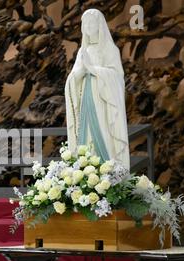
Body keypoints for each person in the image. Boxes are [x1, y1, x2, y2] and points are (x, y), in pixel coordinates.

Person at [64, 8, 130, 170]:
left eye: (91, 23)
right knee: (86, 132)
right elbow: (72, 79)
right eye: (85, 24)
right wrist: (81, 72)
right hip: (86, 95)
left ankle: (108, 170)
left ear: (99, 25)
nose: (87, 26)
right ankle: (87, 171)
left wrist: (93, 69)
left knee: (103, 129)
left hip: (103, 98)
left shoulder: (109, 49)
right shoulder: (82, 51)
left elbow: (117, 77)